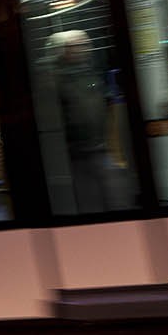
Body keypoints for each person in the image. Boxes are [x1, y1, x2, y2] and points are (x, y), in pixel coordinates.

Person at [51, 29, 113, 213]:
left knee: (106, 193)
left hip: (98, 146)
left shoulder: (90, 72)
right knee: (86, 196)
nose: (82, 49)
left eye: (85, 45)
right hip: (76, 151)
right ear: (66, 50)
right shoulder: (58, 78)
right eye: (76, 46)